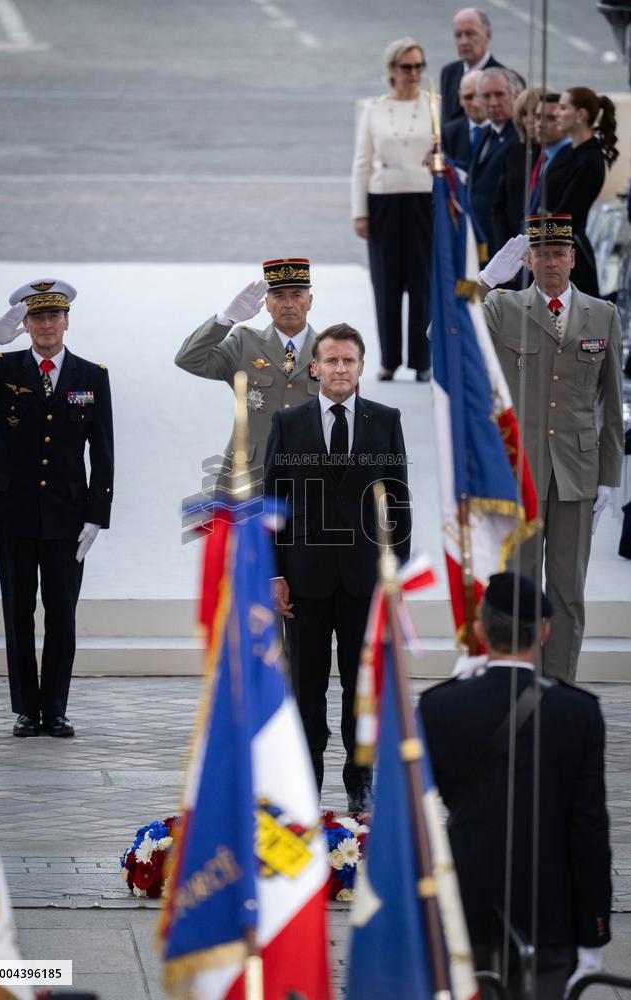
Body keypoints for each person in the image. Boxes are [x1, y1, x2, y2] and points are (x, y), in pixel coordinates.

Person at [420, 572, 612, 1000]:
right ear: (545, 631)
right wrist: (593, 932)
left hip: (463, 907)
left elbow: (418, 821)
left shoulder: (438, 707)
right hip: (550, 914)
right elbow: (589, 831)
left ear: (479, 629)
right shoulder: (578, 713)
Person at [264, 324, 411, 811]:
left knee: (360, 688)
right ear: (315, 368)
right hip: (304, 581)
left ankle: (360, 781)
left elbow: (399, 503)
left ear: (362, 367)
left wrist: (396, 575)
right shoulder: (289, 424)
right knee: (305, 689)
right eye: (331, 360)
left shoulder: (385, 421)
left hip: (365, 581)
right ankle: (305, 781)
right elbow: (273, 501)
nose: (340, 368)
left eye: (349, 360)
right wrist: (274, 572)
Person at [0, 280, 114, 738]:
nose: (46, 324)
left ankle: (57, 708)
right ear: (25, 325)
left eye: (54, 316)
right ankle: (26, 710)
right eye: (36, 317)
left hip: (68, 514)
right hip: (11, 510)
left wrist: (96, 514)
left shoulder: (91, 374)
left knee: (62, 612)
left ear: (67, 321)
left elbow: (103, 450)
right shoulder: (3, 368)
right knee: (17, 611)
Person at [478, 216, 624, 680]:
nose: (550, 262)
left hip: (577, 476)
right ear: (527, 260)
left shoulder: (602, 314)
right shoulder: (503, 308)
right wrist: (481, 282)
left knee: (567, 593)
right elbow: (442, 334)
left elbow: (611, 402)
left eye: (559, 253)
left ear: (573, 259)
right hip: (519, 473)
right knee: (520, 590)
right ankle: (518, 683)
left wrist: (609, 477)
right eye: (540, 254)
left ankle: (558, 689)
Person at [174, 259, 318, 495]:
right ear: (267, 304)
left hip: (310, 477)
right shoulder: (244, 344)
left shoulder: (330, 350)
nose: (289, 303)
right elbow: (188, 359)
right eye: (279, 295)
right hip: (250, 475)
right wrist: (226, 319)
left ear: (310, 301)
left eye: (297, 294)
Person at [351, 37, 433, 382]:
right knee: (385, 283)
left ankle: (422, 360)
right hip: (383, 200)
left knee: (422, 283)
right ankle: (388, 359)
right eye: (406, 67)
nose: (413, 73)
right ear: (392, 70)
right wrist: (360, 211)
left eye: (418, 66)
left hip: (423, 200)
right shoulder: (373, 108)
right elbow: (361, 162)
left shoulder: (434, 107)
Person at [551, 87, 620, 297]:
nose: (556, 114)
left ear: (580, 114)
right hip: (552, 244)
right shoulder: (567, 150)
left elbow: (566, 213)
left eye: (563, 108)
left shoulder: (590, 160)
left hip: (569, 254)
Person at [469, 68, 522, 254]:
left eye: (500, 95)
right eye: (486, 96)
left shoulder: (520, 138)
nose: (493, 103)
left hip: (502, 242)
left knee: (488, 284)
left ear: (515, 95)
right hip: (478, 236)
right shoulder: (483, 134)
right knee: (467, 283)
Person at [491, 87, 541, 256]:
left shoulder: (554, 154)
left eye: (535, 113)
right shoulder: (513, 152)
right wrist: (506, 251)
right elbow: (498, 205)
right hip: (512, 243)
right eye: (524, 114)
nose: (530, 120)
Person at [440, 9, 505, 126]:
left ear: (488, 35)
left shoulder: (504, 77)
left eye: (470, 34)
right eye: (458, 35)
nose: (463, 42)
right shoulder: (449, 72)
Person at [442, 68, 488, 169]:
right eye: (468, 97)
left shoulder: (504, 132)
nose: (475, 104)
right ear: (460, 98)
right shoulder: (449, 133)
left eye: (480, 96)